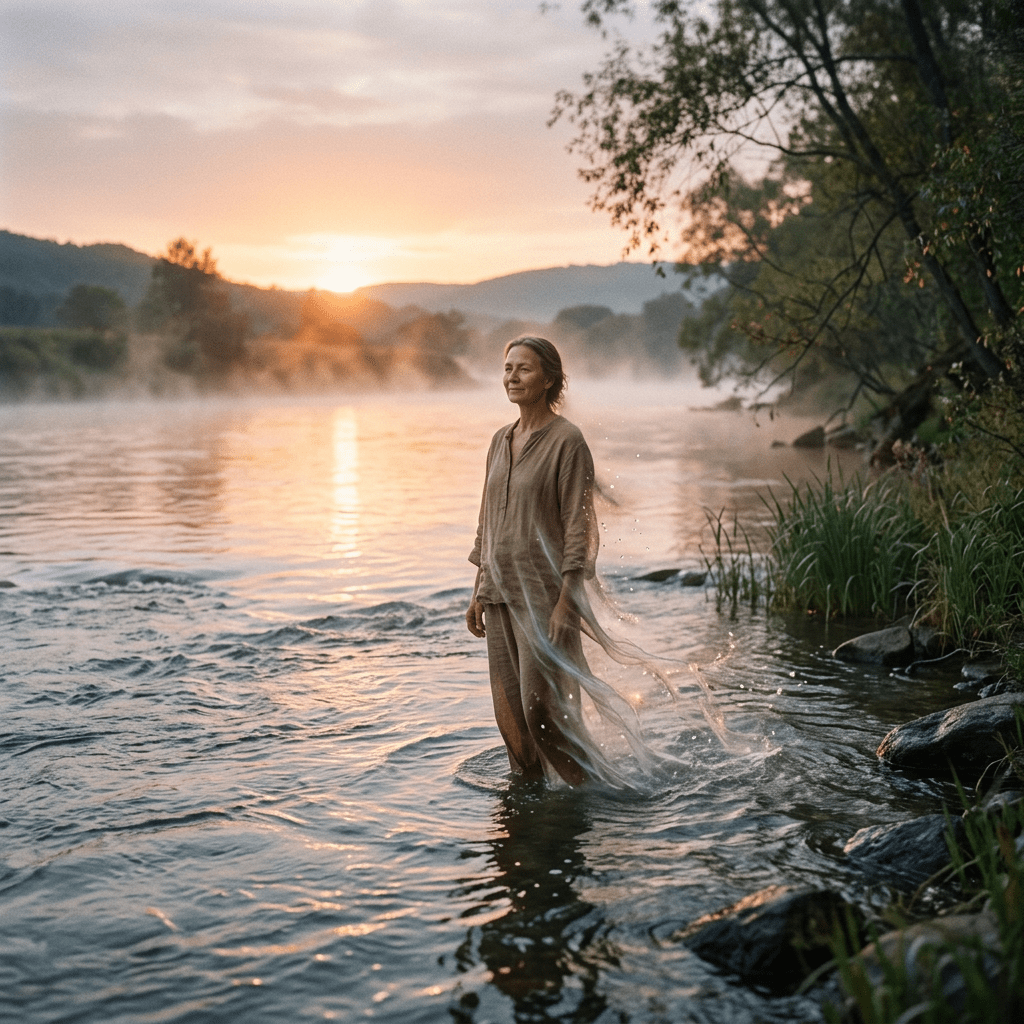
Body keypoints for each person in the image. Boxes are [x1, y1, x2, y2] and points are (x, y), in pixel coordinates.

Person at [466, 336, 638, 788]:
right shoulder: (498, 441)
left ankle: (587, 797)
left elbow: (578, 528)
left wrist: (568, 601)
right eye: (507, 368)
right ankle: (530, 802)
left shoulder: (567, 440)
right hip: (499, 592)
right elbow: (488, 522)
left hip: (544, 595)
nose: (512, 377)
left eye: (524, 369)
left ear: (548, 379)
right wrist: (478, 591)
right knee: (512, 719)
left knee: (541, 711)